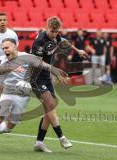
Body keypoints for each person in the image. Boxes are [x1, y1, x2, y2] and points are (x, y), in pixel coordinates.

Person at [0, 38, 68, 151]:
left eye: (7, 47)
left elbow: (41, 64)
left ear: (15, 47)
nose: (5, 50)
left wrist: (55, 70)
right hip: (8, 93)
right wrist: (9, 67)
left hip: (23, 96)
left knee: (8, 128)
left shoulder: (26, 57)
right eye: (3, 48)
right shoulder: (3, 60)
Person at [30, 16, 88, 152]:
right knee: (51, 105)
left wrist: (78, 50)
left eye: (56, 32)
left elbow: (65, 41)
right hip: (35, 77)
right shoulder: (39, 41)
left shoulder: (55, 37)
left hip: (46, 76)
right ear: (46, 28)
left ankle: (39, 142)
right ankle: (61, 137)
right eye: (52, 31)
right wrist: (55, 71)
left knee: (49, 109)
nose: (54, 34)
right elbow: (37, 62)